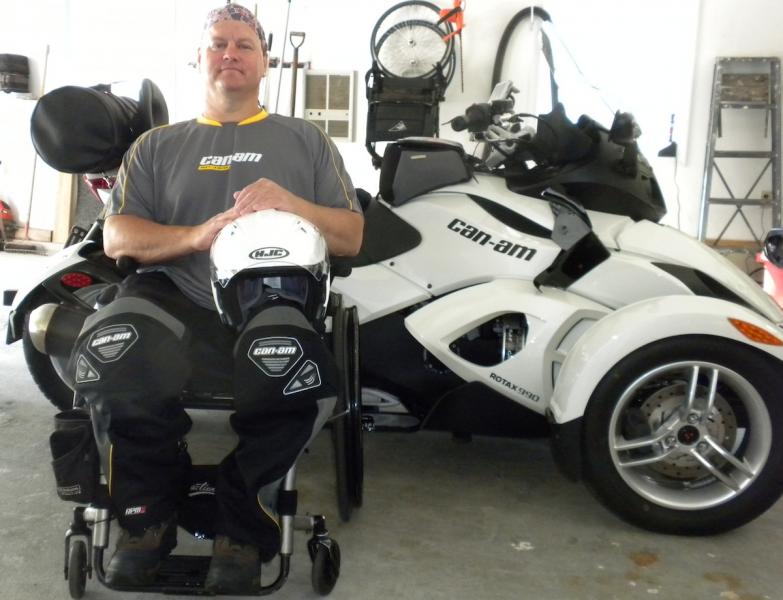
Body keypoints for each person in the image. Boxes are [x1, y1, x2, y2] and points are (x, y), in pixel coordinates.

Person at [67, 3, 362, 594]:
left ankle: (243, 523)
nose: (231, 53)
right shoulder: (155, 146)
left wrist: (290, 202)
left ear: (265, 61)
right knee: (110, 349)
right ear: (198, 57)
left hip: (269, 297)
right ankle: (147, 516)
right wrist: (196, 236)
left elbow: (350, 235)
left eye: (245, 45)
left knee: (296, 369)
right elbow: (119, 236)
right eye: (219, 43)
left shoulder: (305, 140)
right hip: (173, 290)